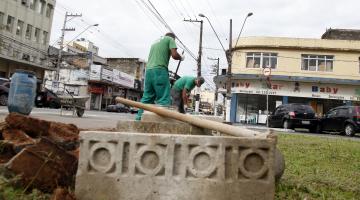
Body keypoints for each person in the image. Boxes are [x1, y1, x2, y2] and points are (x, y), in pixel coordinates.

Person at [135, 32, 184, 120]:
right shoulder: (170, 39)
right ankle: (162, 121)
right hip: (159, 70)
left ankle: (138, 118)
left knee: (147, 98)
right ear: (173, 38)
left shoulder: (155, 42)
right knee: (164, 98)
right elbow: (174, 55)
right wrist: (181, 57)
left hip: (149, 71)